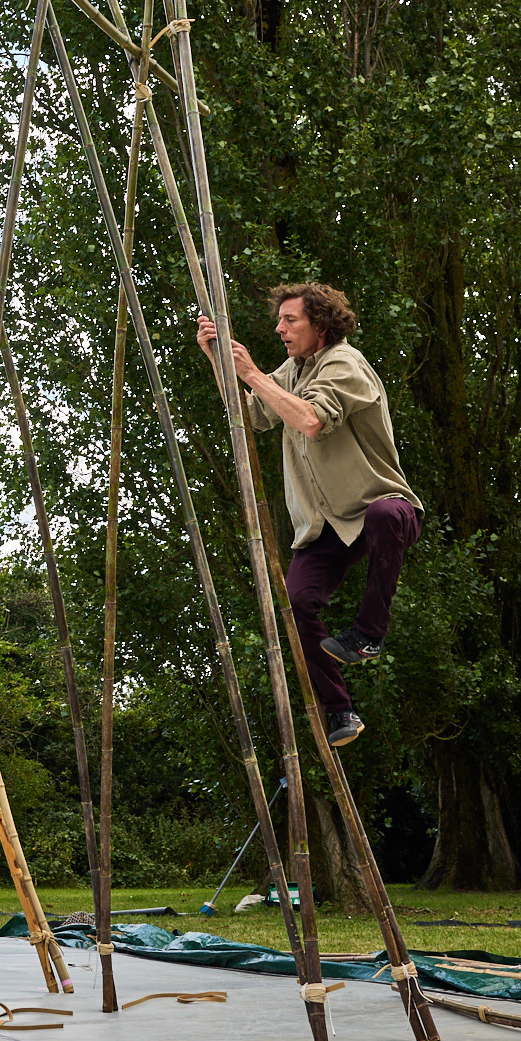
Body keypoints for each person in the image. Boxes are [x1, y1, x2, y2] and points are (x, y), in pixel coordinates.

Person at [199, 283, 424, 750]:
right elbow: (249, 417)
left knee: (384, 514)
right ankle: (339, 708)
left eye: (290, 320)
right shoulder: (294, 370)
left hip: (379, 507)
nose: (279, 328)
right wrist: (219, 363)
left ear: (320, 325)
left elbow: (311, 420)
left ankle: (368, 633)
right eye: (280, 320)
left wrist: (253, 373)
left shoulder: (344, 363)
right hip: (326, 525)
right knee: (297, 603)